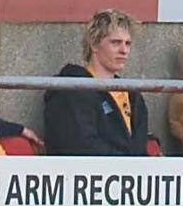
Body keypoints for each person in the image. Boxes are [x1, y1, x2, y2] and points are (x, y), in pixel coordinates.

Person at [40, 9, 149, 155]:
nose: (124, 50)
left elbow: (140, 147)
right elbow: (80, 145)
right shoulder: (72, 90)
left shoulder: (133, 94)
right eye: (116, 42)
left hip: (131, 174)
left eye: (128, 44)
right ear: (94, 45)